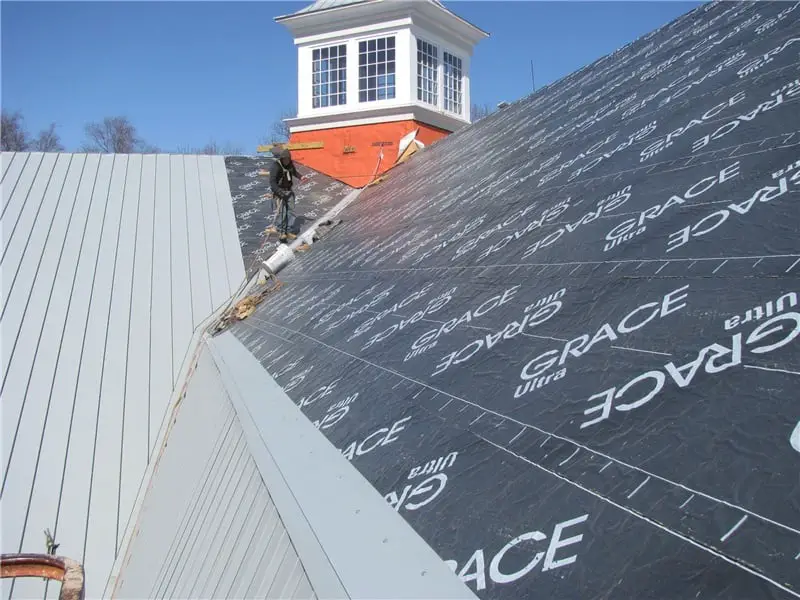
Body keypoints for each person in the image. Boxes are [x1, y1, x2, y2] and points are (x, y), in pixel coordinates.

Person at [268, 147, 303, 243]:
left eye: (288, 159)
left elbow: (294, 172)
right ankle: (281, 232)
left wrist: (301, 177)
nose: (287, 161)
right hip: (279, 191)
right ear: (282, 159)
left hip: (289, 190)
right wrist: (279, 192)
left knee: (291, 210)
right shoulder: (276, 166)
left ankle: (288, 230)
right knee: (282, 213)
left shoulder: (290, 164)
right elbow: (272, 182)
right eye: (285, 159)